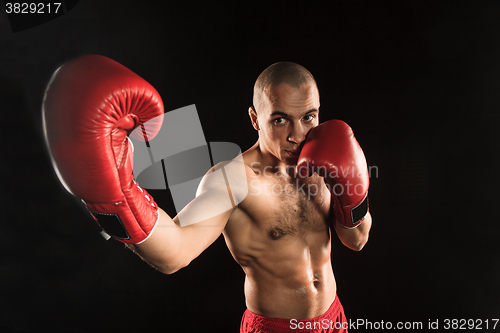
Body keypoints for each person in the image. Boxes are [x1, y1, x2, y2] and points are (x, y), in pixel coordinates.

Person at [43, 55, 372, 333]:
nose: (297, 135)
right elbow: (174, 253)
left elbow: (356, 240)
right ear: (255, 119)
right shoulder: (232, 180)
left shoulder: (327, 157)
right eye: (281, 120)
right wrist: (112, 198)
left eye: (308, 117)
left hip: (333, 319)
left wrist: (354, 194)